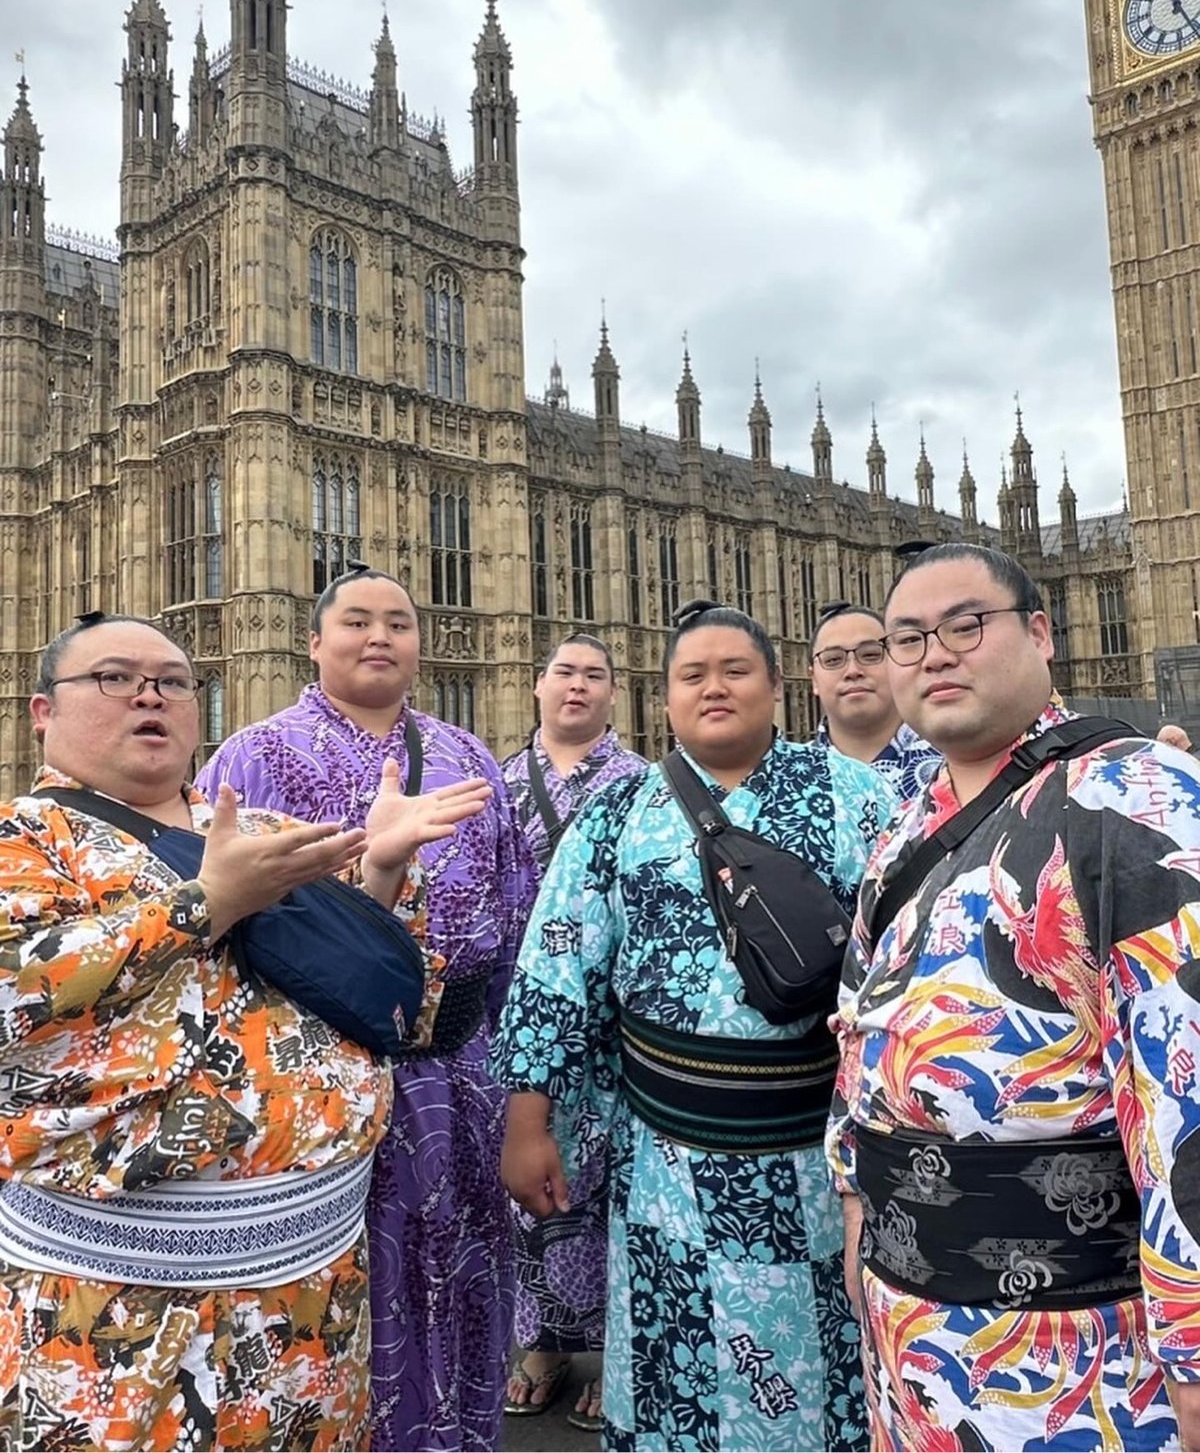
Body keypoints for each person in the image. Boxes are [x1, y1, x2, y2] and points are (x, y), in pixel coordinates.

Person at [0, 612, 487, 1450]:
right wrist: (208, 902)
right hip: (116, 1312)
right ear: (44, 712)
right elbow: (19, 989)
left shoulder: (262, 833)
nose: (149, 695)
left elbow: (363, 994)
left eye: (173, 682)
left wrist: (380, 870)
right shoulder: (24, 837)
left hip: (313, 1299)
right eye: (115, 678)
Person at [494, 600, 896, 1452]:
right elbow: (555, 967)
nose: (714, 688)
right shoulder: (617, 812)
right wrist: (529, 1122)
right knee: (671, 1361)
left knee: (827, 1362)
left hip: (813, 1153)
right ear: (665, 698)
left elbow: (909, 970)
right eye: (692, 675)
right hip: (665, 1156)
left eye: (735, 670)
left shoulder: (865, 799)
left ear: (778, 687)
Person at [827, 542, 1200, 1452]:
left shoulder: (1141, 798)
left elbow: (1185, 1097)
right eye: (908, 639)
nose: (935, 654)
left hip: (1083, 1358)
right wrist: (855, 1207)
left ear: (1040, 632)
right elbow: (857, 1035)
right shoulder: (907, 828)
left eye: (966, 625)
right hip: (910, 1337)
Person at [197, 565, 536, 1453]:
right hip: (331, 1081)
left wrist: (527, 1095)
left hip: (465, 1073)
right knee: (352, 1289)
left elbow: (517, 918)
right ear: (313, 641)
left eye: (398, 622)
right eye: (356, 621)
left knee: (465, 1278)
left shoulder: (468, 757)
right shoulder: (255, 756)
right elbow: (221, 929)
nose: (379, 636)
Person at [501, 633, 645, 1430]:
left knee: (610, 1191)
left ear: (614, 695)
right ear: (537, 686)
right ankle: (544, 1345)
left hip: (612, 1029)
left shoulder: (643, 785)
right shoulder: (497, 781)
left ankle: (613, 1354)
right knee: (529, 1194)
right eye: (565, 673)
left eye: (595, 676)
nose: (578, 687)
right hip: (521, 1021)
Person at [809, 601, 941, 802]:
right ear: (814, 680)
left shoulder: (956, 761)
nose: (853, 671)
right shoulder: (784, 780)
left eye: (870, 655)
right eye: (833, 660)